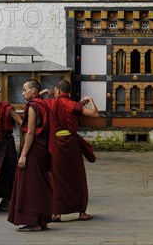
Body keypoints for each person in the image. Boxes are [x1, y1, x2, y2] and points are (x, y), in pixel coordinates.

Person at [46, 80, 99, 223]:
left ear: (57, 91)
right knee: (77, 177)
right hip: (72, 144)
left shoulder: (50, 104)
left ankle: (56, 213)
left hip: (56, 144)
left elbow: (33, 103)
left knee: (56, 178)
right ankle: (81, 212)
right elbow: (94, 114)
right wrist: (91, 99)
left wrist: (45, 94)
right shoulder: (73, 105)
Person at [7, 79, 54, 232]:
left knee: (29, 185)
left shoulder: (33, 106)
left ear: (33, 91)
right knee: (40, 183)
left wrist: (23, 155)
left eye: (24, 89)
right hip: (42, 148)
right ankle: (42, 220)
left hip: (33, 149)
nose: (22, 93)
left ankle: (33, 222)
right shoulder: (44, 104)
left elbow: (31, 131)